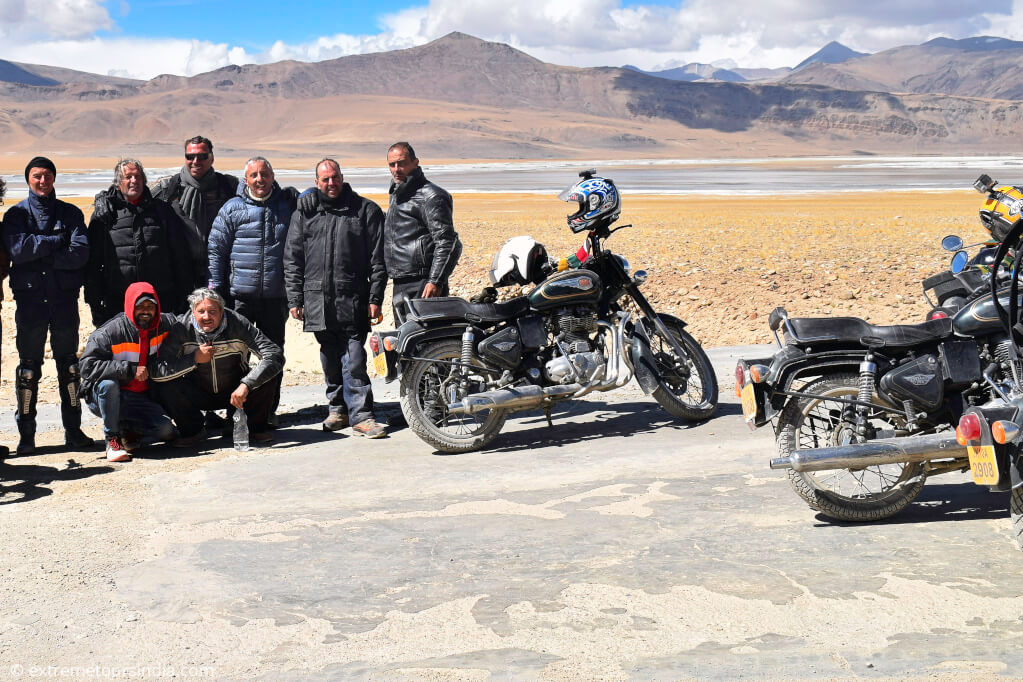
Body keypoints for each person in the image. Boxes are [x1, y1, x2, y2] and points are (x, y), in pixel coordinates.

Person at [285, 158, 388, 438]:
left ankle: (363, 416)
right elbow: (293, 258)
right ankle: (338, 410)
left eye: (335, 177)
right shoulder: (305, 214)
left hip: (352, 297)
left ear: (342, 177)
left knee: (354, 357)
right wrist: (295, 298)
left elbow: (378, 260)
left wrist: (375, 297)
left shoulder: (364, 211)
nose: (331, 183)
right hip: (317, 300)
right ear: (316, 182)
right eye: (325, 179)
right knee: (329, 358)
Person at [2, 156, 94, 454]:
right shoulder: (15, 215)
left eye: (47, 176)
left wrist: (40, 253)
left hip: (63, 299)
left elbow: (80, 253)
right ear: (28, 179)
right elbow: (17, 248)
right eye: (37, 176)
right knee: (28, 369)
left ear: (55, 178)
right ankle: (26, 436)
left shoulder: (69, 213)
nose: (42, 181)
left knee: (69, 366)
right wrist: (56, 242)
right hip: (30, 301)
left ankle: (74, 431)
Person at [207, 156, 297, 424]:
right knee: (236, 356)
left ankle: (268, 411)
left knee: (273, 354)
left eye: (264, 174)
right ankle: (236, 411)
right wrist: (216, 291)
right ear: (245, 179)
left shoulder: (287, 205)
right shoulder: (232, 209)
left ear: (273, 176)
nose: (259, 179)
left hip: (274, 296)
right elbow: (216, 251)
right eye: (254, 175)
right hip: (239, 298)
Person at [151, 288, 284, 446]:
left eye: (212, 311)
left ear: (222, 311)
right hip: (198, 391)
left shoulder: (238, 323)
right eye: (201, 312)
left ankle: (253, 428)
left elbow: (274, 354)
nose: (206, 317)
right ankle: (193, 431)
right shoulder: (181, 328)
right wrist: (193, 359)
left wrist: (247, 384)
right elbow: (157, 369)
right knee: (166, 384)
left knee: (266, 376)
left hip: (236, 392)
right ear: (193, 312)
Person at [85, 158, 195, 325]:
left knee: (162, 349)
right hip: (118, 301)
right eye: (128, 177)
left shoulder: (163, 212)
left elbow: (180, 256)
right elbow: (93, 264)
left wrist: (184, 295)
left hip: (161, 299)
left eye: (137, 176)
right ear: (118, 183)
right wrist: (95, 303)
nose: (133, 181)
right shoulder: (105, 215)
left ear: (144, 180)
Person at [79, 282, 178, 462]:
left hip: (139, 398)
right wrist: (129, 370)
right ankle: (112, 440)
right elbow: (86, 366)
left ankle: (129, 429)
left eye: (150, 306)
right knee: (109, 384)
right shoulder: (109, 332)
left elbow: (188, 324)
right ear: (130, 306)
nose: (145, 311)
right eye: (140, 306)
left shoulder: (165, 324)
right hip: (104, 396)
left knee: (166, 431)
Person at [384, 142, 462, 323]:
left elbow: (447, 242)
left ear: (415, 162)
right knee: (406, 341)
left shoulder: (431, 196)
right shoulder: (398, 193)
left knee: (427, 343)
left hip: (422, 283)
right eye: (392, 164)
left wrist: (435, 281)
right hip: (401, 281)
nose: (396, 169)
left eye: (401, 163)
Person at [152, 135, 239, 288]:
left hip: (220, 271)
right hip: (178, 273)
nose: (195, 161)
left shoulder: (229, 187)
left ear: (212, 158)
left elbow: (257, 198)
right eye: (190, 156)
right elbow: (136, 201)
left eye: (202, 156)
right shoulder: (167, 188)